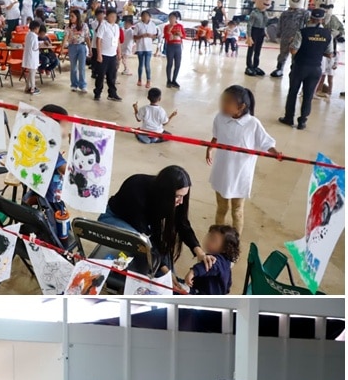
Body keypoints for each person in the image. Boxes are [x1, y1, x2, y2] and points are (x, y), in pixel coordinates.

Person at [102, 165, 205, 276]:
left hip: (142, 225)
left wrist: (199, 252)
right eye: (178, 196)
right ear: (166, 193)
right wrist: (166, 272)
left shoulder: (171, 197)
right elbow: (145, 239)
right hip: (115, 218)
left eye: (184, 196)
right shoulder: (136, 191)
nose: (181, 201)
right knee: (142, 246)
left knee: (162, 262)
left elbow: (182, 223)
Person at [206, 85, 281, 236]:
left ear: (241, 107)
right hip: (222, 172)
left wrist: (275, 152)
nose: (222, 105)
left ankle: (235, 243)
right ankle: (217, 238)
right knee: (221, 208)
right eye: (223, 101)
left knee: (237, 211)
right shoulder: (220, 118)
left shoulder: (252, 124)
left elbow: (266, 142)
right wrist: (210, 148)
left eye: (227, 102)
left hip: (240, 176)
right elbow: (216, 136)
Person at [279, 9, 334, 130]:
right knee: (308, 95)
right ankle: (302, 121)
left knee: (293, 92)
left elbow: (293, 50)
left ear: (310, 18)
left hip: (300, 67)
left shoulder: (302, 32)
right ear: (322, 20)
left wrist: (291, 42)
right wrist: (317, 51)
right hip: (315, 69)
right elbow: (330, 54)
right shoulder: (328, 34)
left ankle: (289, 118)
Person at [185, 225, 239, 295]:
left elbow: (210, 266)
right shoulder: (226, 262)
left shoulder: (218, 260)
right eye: (209, 237)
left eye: (213, 240)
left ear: (225, 249)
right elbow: (228, 283)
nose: (208, 241)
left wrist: (193, 272)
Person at [93, 9, 122, 101]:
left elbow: (118, 40)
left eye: (115, 16)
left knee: (112, 76)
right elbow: (99, 40)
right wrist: (99, 54)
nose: (113, 18)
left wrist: (119, 52)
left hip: (113, 55)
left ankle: (112, 93)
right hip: (104, 54)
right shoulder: (103, 25)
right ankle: (97, 93)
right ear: (107, 16)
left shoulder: (116, 27)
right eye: (111, 16)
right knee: (100, 75)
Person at [131, 11, 159, 87]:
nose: (145, 17)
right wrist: (142, 36)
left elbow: (155, 36)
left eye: (147, 16)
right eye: (143, 16)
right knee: (141, 64)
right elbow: (134, 37)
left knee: (147, 65)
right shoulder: (138, 25)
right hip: (140, 47)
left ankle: (148, 80)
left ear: (149, 17)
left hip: (148, 48)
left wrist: (150, 36)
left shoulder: (152, 25)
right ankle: (139, 79)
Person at [66, 10, 90, 93]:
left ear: (77, 17)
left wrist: (90, 49)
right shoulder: (68, 26)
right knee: (73, 67)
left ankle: (82, 85)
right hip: (72, 47)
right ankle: (74, 84)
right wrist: (62, 48)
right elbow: (65, 37)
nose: (70, 18)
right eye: (70, 16)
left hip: (82, 46)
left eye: (72, 16)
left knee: (82, 67)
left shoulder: (84, 26)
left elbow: (87, 37)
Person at [162, 12, 186, 89]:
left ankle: (174, 80)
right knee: (169, 63)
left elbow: (184, 36)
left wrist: (180, 34)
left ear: (176, 19)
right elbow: (166, 36)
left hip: (178, 46)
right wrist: (170, 29)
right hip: (170, 46)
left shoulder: (180, 26)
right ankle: (168, 80)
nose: (171, 19)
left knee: (178, 64)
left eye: (173, 18)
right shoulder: (166, 26)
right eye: (170, 18)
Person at [22, 20, 42, 95]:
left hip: (28, 57)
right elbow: (35, 47)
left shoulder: (28, 34)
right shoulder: (34, 36)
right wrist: (40, 46)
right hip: (32, 58)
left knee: (30, 74)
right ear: (36, 28)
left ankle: (27, 87)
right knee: (32, 74)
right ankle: (32, 88)